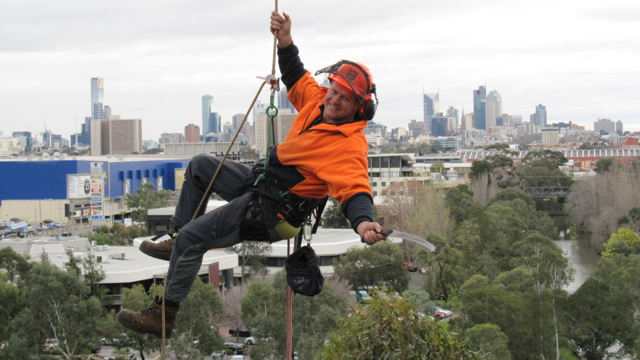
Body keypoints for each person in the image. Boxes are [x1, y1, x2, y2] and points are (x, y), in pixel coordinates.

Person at [116, 10, 386, 338]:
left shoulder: (348, 145)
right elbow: (296, 76)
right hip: (263, 187)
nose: (335, 99)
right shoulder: (317, 103)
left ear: (359, 107)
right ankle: (174, 240)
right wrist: (285, 40)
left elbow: (355, 188)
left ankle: (163, 317)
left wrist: (363, 221)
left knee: (193, 240)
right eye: (335, 90)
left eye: (346, 98)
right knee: (200, 166)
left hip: (274, 213)